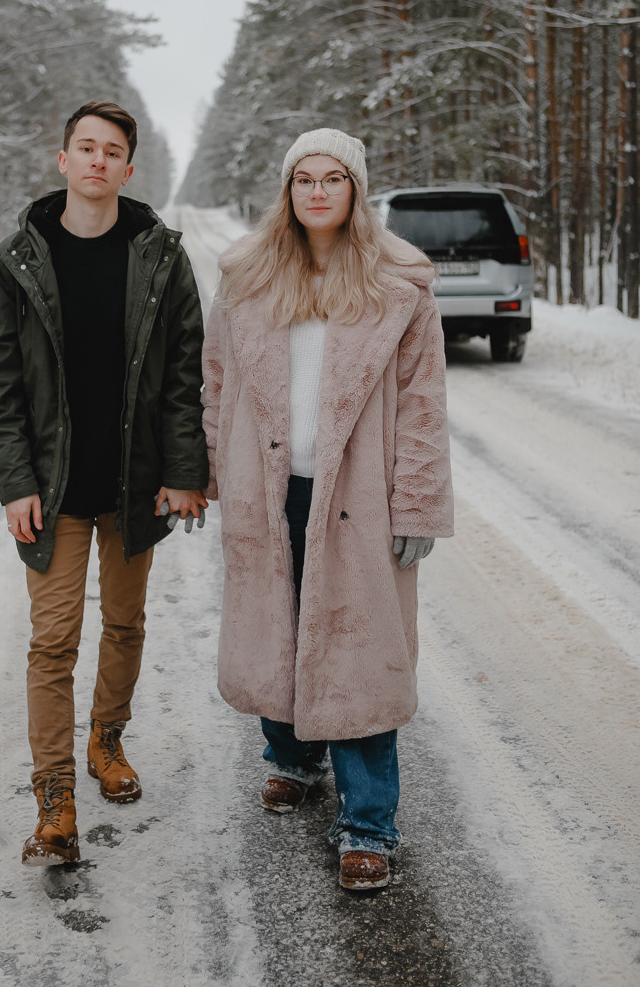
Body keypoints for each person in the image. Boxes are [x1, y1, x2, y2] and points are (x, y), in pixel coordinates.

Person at [201, 128, 453, 891]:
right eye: (303, 179)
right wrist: (217, 477)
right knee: (274, 628)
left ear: (353, 191)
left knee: (357, 652)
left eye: (332, 179)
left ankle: (369, 821)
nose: (316, 191)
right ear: (286, 191)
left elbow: (421, 406)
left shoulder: (398, 285)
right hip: (270, 490)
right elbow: (215, 385)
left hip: (359, 499)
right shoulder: (247, 280)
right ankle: (290, 758)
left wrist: (415, 506)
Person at [0, 100, 208, 867]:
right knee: (51, 642)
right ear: (63, 160)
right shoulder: (17, 261)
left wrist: (182, 472)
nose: (98, 159)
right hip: (53, 485)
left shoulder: (162, 257)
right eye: (86, 147)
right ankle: (54, 801)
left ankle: (108, 741)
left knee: (128, 624)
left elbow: (181, 375)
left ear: (128, 169)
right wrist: (14, 482)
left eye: (113, 150)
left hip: (134, 483)